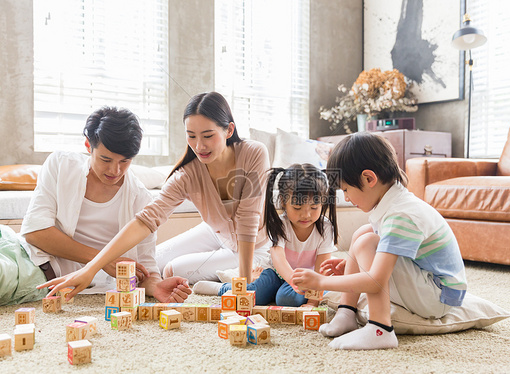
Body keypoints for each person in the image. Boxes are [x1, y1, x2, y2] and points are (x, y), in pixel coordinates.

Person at [39, 92, 271, 300]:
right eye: (191, 136)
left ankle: (247, 276)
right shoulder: (187, 175)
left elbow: (248, 219)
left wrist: (244, 283)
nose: (199, 146)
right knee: (152, 269)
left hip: (255, 244)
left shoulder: (253, 153)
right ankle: (223, 277)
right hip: (214, 233)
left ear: (229, 130)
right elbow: (146, 220)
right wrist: (90, 269)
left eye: (208, 136)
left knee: (174, 270)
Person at [292, 132, 467, 350]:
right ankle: (347, 312)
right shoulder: (394, 204)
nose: (346, 198)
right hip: (428, 281)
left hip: (439, 296)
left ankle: (380, 329)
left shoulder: (401, 215)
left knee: (366, 243)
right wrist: (351, 266)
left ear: (368, 179)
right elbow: (394, 254)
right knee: (362, 235)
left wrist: (320, 282)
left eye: (346, 190)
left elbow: (375, 280)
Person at [0, 106, 191, 306]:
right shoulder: (60, 164)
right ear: (88, 146)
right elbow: (35, 232)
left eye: (125, 161)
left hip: (36, 272)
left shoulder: (141, 199)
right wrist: (103, 261)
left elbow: (145, 268)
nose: (115, 170)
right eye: (105, 159)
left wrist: (155, 286)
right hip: (14, 245)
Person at [193, 163, 338, 307]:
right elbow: (278, 259)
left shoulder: (325, 228)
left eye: (314, 207)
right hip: (277, 273)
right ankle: (222, 288)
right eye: (297, 207)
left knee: (287, 300)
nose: (306, 214)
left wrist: (313, 302)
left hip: (306, 278)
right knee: (255, 295)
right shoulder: (280, 224)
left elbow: (321, 269)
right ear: (283, 202)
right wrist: (292, 281)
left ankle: (285, 291)